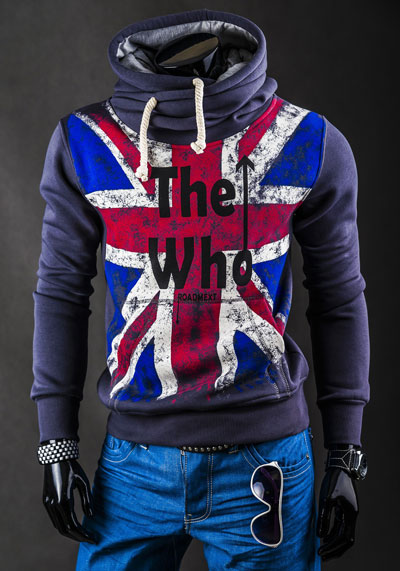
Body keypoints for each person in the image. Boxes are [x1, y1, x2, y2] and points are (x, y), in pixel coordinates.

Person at [31, 8, 370, 570]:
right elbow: (61, 291)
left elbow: (339, 297)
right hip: (133, 468)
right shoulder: (86, 142)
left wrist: (346, 451)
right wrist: (55, 442)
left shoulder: (307, 141)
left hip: (266, 465)